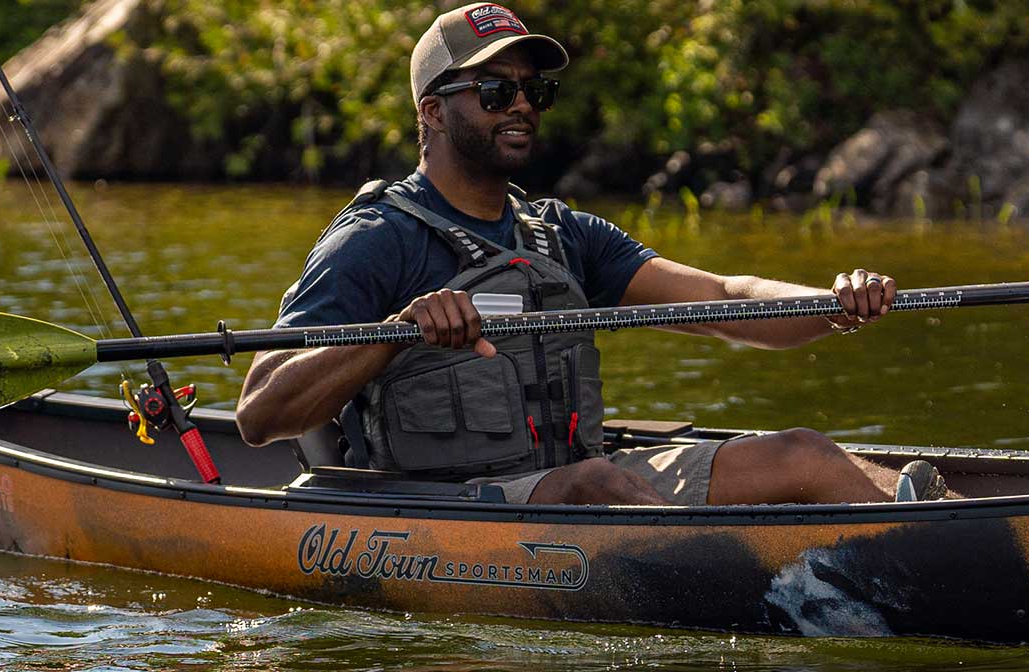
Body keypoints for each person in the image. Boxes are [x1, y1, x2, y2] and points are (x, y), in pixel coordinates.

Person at [234, 3, 935, 506]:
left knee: (803, 453)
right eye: (494, 90)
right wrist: (394, 335)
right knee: (600, 484)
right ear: (431, 111)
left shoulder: (562, 233)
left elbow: (725, 298)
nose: (522, 105)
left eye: (533, 90)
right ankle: (753, 582)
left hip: (585, 482)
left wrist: (835, 304)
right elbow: (260, 412)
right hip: (451, 508)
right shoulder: (375, 239)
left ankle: (929, 539)